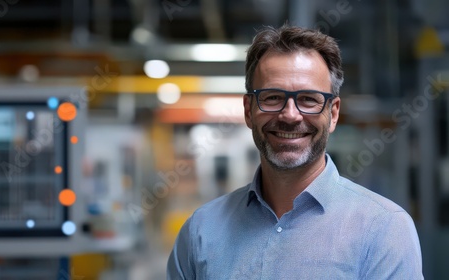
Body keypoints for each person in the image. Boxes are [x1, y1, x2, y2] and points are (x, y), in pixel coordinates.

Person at [167, 24, 423, 279]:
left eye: (309, 99)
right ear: (248, 111)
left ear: (333, 114)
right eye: (272, 97)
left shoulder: (384, 230)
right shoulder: (200, 230)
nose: (290, 115)